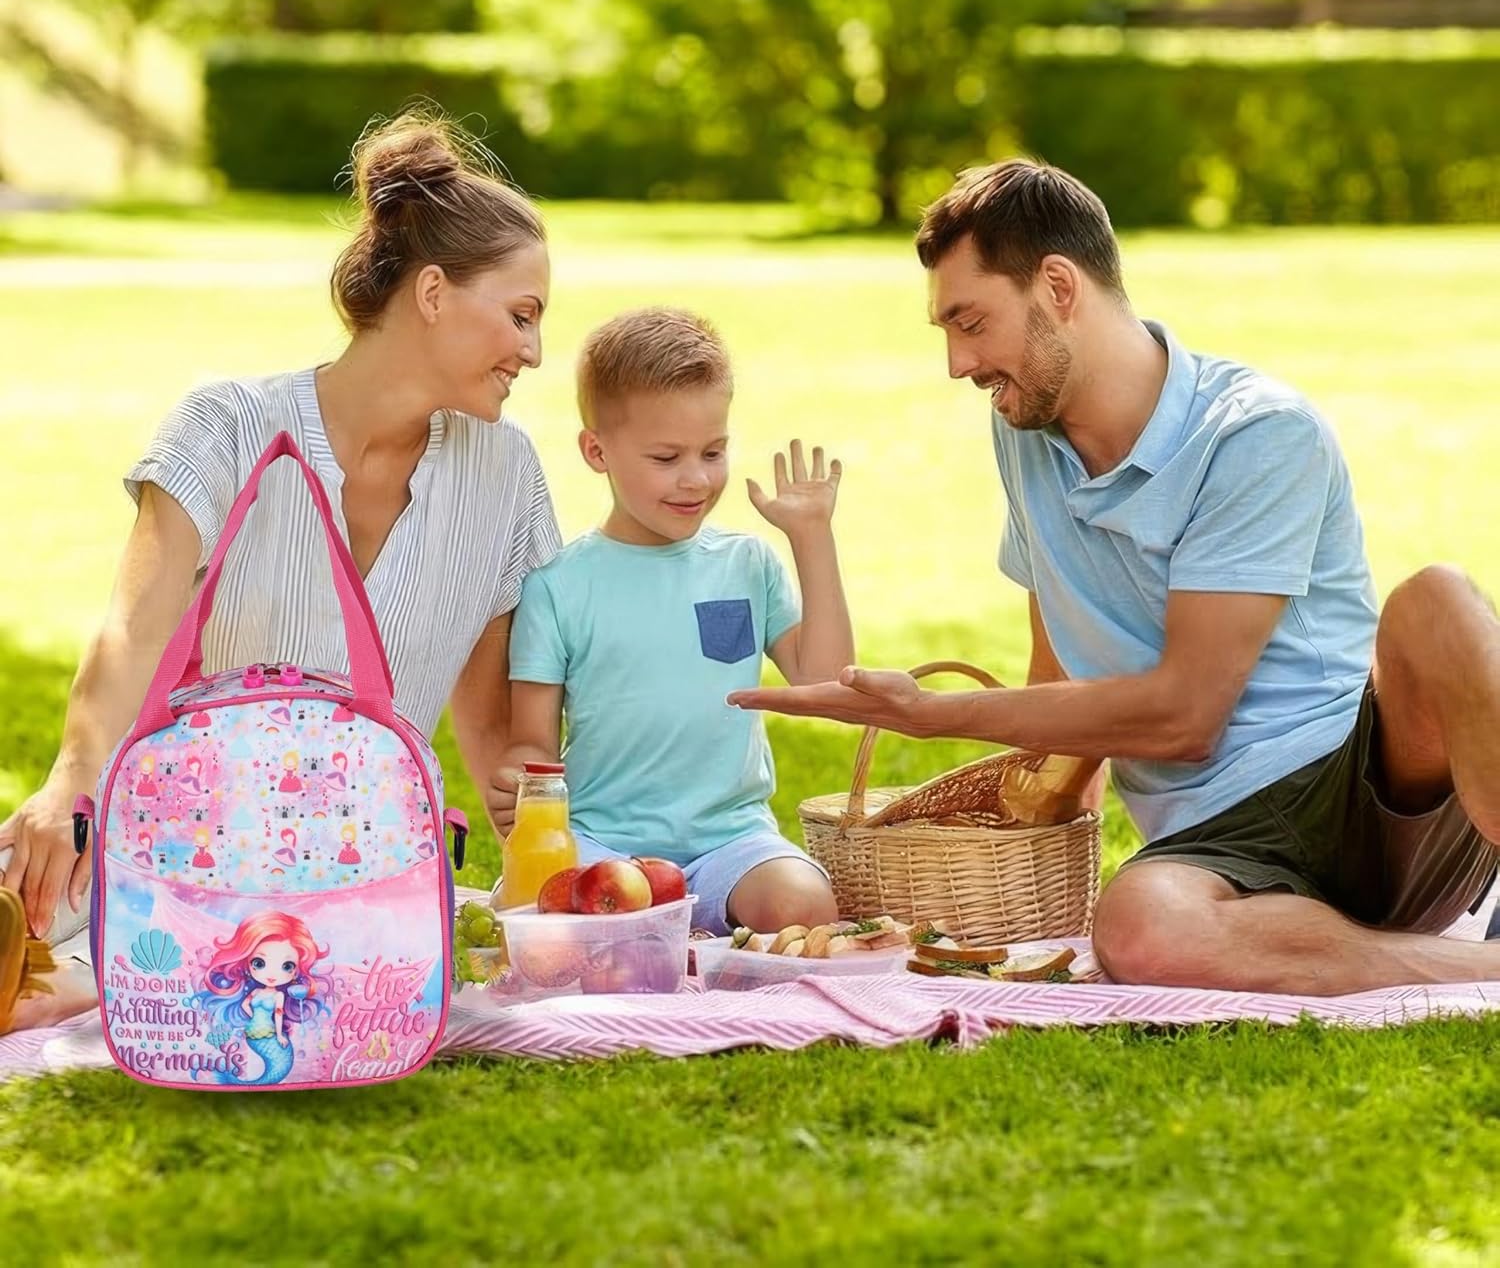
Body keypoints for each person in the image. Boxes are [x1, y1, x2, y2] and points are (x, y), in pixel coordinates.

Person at [730, 159, 1500, 995]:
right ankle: (1466, 967)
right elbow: (1056, 668)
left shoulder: (1254, 433)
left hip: (1364, 785)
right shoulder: (1022, 431)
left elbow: (1186, 716)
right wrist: (1029, 833)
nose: (958, 363)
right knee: (1139, 926)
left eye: (971, 322)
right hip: (1221, 847)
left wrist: (933, 715)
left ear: (1058, 286)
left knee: (1437, 600)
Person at [0, 111, 560, 1033]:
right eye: (521, 314)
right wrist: (72, 780)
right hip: (180, 841)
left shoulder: (505, 473)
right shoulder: (223, 425)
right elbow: (130, 631)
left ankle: (112, 984)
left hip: (366, 867)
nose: (533, 351)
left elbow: (492, 717)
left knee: (273, 963)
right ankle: (104, 970)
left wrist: (543, 859)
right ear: (431, 293)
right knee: (35, 901)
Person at [500, 308, 850, 934]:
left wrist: (811, 539)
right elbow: (531, 741)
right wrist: (525, 803)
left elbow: (824, 686)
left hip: (731, 843)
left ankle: (678, 923)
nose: (696, 479)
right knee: (534, 913)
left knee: (806, 908)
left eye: (713, 452)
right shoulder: (558, 586)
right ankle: (664, 930)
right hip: (600, 841)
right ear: (596, 450)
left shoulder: (747, 563)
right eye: (666, 457)